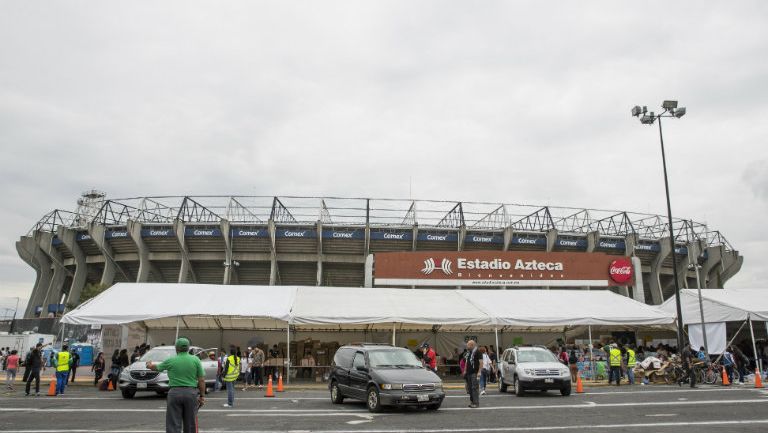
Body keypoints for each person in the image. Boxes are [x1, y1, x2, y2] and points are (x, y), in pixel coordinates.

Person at [146, 338, 205, 433]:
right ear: (188, 348)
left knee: (173, 424)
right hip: (191, 393)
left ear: (176, 348)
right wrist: (202, 396)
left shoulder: (171, 360)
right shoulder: (195, 360)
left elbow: (156, 368)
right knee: (190, 424)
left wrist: (148, 365)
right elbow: (201, 380)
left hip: (174, 393)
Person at [462, 340, 483, 408]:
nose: (467, 346)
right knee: (469, 388)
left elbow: (481, 362)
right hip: (468, 373)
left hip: (475, 373)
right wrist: (465, 370)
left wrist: (479, 372)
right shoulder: (469, 352)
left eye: (468, 345)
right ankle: (472, 402)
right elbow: (467, 362)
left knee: (474, 388)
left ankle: (476, 403)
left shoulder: (478, 352)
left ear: (472, 345)